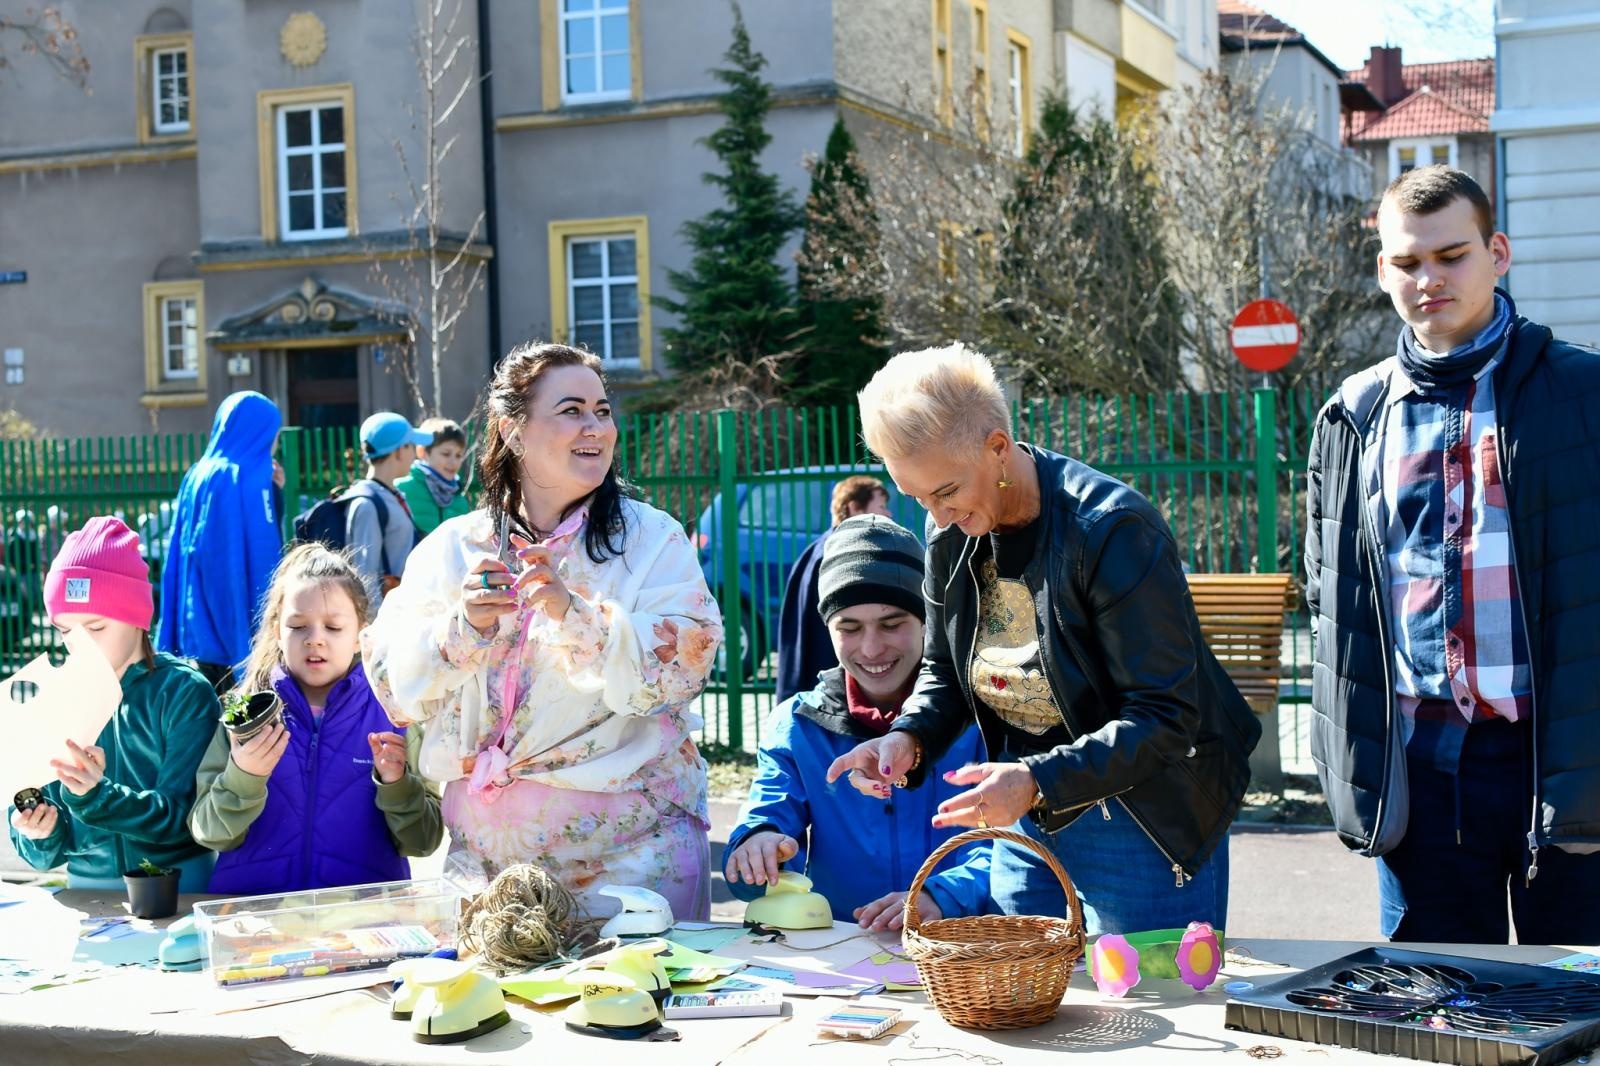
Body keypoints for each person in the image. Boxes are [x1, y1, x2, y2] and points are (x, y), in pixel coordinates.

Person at [827, 343, 1260, 936]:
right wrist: (909, 737)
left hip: (1143, 820)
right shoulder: (947, 531)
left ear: (997, 447)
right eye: (918, 497)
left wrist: (1036, 780)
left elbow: (1166, 716)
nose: (937, 515)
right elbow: (945, 669)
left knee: (1150, 993)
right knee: (1028, 992)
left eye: (946, 491)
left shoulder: (1111, 529)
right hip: (1027, 813)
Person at [1305, 165, 1600, 945]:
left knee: (1578, 999)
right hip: (1421, 772)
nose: (1428, 278)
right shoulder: (1353, 416)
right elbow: (1329, 597)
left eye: (1451, 255)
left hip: (1566, 760)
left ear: (1497, 253)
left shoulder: (1584, 393)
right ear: (1382, 270)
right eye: (1407, 262)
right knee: (1438, 1001)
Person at [361, 342, 722, 920]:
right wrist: (462, 629)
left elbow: (686, 665)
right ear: (512, 430)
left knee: (636, 984)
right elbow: (391, 682)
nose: (595, 427)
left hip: (633, 862)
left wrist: (578, 618)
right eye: (571, 410)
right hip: (488, 870)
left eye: (602, 411)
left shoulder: (652, 540)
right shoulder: (454, 548)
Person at [726, 514, 990, 931]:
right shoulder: (797, 725)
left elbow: (1016, 845)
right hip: (841, 945)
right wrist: (757, 846)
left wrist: (943, 895)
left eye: (892, 624)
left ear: (928, 620)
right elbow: (768, 816)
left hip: (966, 945)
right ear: (826, 629)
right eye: (849, 627)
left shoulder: (981, 717)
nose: (871, 648)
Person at [189, 543, 443, 894]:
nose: (315, 640)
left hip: (363, 918)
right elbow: (209, 832)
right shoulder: (245, 713)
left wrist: (398, 785)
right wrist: (243, 776)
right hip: (253, 917)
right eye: (298, 626)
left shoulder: (395, 713)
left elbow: (424, 842)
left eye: (334, 627)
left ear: (362, 635)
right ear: (277, 632)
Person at [8, 516, 218, 891]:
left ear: (136, 618)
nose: (80, 643)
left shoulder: (184, 692)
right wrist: (37, 832)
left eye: (96, 627)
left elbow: (184, 820)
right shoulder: (58, 698)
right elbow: (45, 853)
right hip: (86, 895)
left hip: (178, 889)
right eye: (65, 630)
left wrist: (98, 796)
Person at [158, 391, 284, 691]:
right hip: (240, 633)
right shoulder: (250, 476)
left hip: (197, 631)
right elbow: (265, 556)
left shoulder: (196, 475)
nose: (275, 443)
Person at [774, 475, 892, 703]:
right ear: (854, 507)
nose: (888, 514)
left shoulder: (816, 549)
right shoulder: (847, 555)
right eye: (881, 507)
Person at [343, 412, 432, 607]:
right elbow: (365, 574)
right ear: (399, 451)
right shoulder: (367, 504)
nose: (414, 454)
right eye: (411, 446)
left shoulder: (391, 494)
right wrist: (375, 623)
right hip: (387, 617)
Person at [396, 417, 472, 536]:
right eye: (446, 454)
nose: (453, 462)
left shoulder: (460, 501)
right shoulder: (401, 489)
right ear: (422, 452)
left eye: (458, 455)